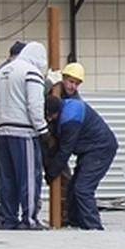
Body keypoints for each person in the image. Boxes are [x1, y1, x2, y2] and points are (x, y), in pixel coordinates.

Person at [49, 65, 118, 230]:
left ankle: (93, 227)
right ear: (63, 79)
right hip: (91, 148)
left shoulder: (71, 113)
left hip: (100, 148)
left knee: (82, 189)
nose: (72, 86)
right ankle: (76, 223)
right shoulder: (60, 98)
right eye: (70, 81)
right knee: (74, 188)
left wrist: (51, 172)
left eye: (76, 83)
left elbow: (65, 150)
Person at [0, 40, 49, 229]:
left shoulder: (3, 72)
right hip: (23, 132)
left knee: (8, 178)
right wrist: (42, 130)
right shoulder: (31, 72)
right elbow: (35, 104)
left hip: (2, 131)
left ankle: (9, 219)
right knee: (29, 177)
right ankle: (29, 219)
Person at [0, 41, 25, 226]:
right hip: (3, 129)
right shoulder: (9, 73)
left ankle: (1, 210)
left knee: (1, 174)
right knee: (7, 173)